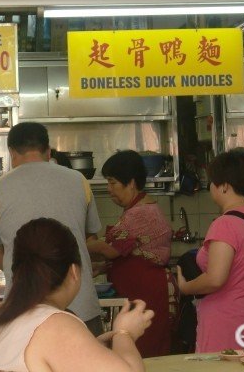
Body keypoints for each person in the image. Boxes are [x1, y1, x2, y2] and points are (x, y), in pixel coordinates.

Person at [0, 218, 154, 372]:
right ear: (74, 272)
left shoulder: (3, 314)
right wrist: (125, 333)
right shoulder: (53, 324)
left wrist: (93, 346)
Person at [0, 122, 104, 335]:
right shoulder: (79, 181)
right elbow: (88, 233)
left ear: (11, 152)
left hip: (23, 307)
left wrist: (22, 268)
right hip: (79, 303)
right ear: (48, 151)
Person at [176, 147, 244, 353]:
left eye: (212, 182)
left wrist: (185, 287)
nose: (210, 187)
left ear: (225, 186)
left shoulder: (225, 224)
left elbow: (215, 279)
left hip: (225, 325)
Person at [86, 150, 177, 358]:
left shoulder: (140, 213)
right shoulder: (139, 208)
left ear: (132, 183)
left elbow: (109, 250)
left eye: (113, 183)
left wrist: (78, 244)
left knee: (144, 353)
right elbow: (129, 253)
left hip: (148, 293)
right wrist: (102, 267)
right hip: (141, 290)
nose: (109, 190)